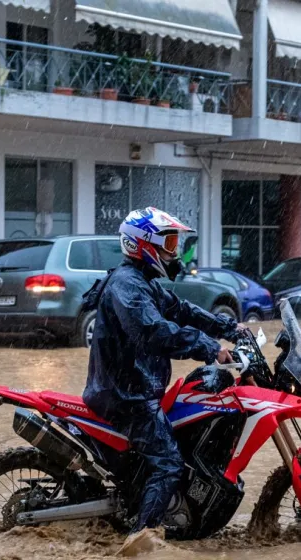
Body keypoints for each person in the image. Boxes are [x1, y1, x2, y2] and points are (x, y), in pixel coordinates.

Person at [81, 207, 241, 556]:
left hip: (136, 387)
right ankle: (141, 538)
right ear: (143, 245)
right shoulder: (127, 286)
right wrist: (210, 348)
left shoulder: (143, 282)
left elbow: (182, 310)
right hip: (124, 395)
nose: (174, 252)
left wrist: (229, 328)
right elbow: (154, 332)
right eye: (169, 244)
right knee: (169, 461)